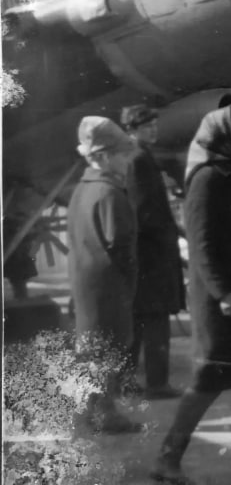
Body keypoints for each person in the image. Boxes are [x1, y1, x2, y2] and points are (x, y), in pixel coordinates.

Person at [151, 105, 231, 485]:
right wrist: (223, 293)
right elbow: (200, 246)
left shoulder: (229, 173)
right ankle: (169, 456)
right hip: (219, 297)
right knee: (209, 377)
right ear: (217, 137)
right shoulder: (205, 180)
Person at [67, 117, 141, 434]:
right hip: (109, 287)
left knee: (93, 349)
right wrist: (130, 282)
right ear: (105, 156)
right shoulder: (110, 194)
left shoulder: (81, 190)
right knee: (109, 349)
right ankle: (105, 414)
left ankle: (91, 409)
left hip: (86, 286)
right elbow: (122, 246)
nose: (128, 162)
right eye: (123, 155)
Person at [119, 104, 185, 400]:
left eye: (154, 124)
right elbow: (144, 211)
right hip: (152, 254)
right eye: (146, 125)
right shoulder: (138, 160)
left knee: (139, 318)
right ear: (132, 129)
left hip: (147, 253)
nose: (153, 129)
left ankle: (125, 381)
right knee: (155, 319)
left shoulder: (140, 157)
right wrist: (169, 236)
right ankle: (157, 383)